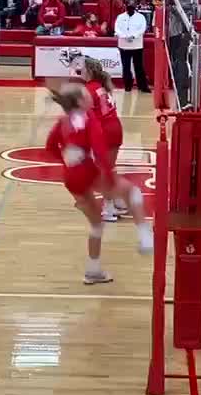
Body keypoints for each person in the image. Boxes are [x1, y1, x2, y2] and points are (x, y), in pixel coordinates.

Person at [45, 83, 152, 285]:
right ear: (80, 101)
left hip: (71, 178)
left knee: (96, 225)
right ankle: (145, 236)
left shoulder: (62, 121)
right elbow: (100, 151)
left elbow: (49, 147)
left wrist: (64, 158)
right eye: (86, 94)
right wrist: (109, 178)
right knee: (133, 192)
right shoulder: (89, 118)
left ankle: (93, 271)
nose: (90, 95)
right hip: (88, 171)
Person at [80, 58, 128, 224]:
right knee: (109, 169)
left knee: (103, 171)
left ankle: (108, 208)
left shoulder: (88, 90)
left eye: (83, 69)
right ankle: (116, 201)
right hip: (115, 128)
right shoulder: (102, 86)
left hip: (104, 132)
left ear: (90, 71)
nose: (81, 71)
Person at [114, 2, 150, 93]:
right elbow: (117, 29)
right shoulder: (120, 17)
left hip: (137, 45)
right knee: (126, 67)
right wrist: (124, 36)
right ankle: (127, 86)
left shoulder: (140, 17)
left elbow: (142, 28)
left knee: (139, 67)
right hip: (124, 45)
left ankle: (142, 86)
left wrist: (134, 36)